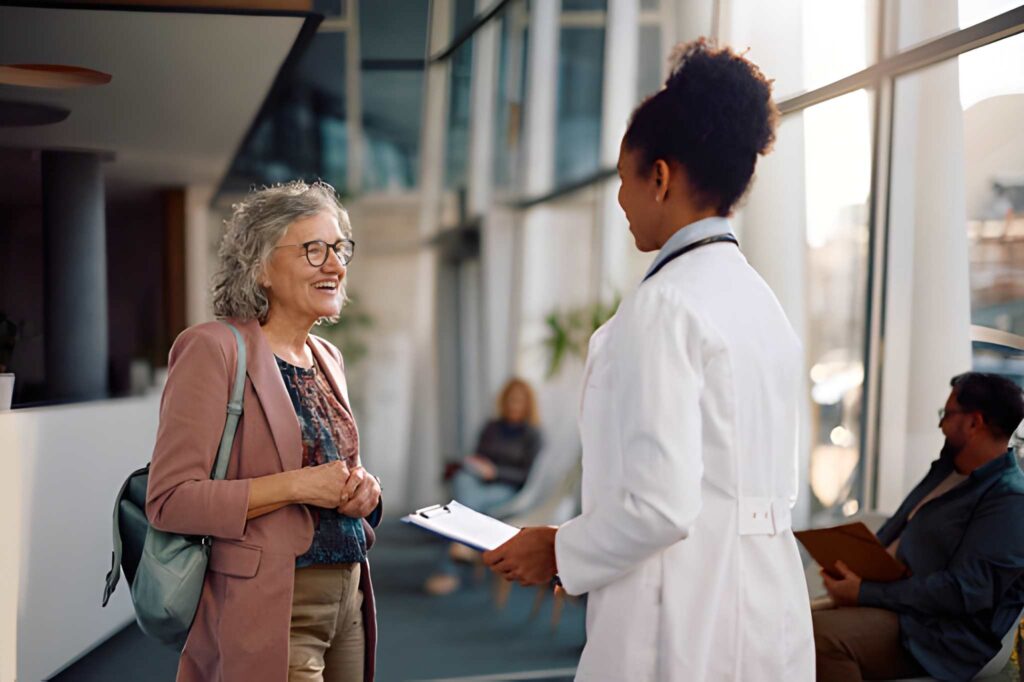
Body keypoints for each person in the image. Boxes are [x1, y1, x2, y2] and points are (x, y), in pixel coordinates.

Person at [483, 38, 814, 681]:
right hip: (769, 614)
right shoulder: (760, 301)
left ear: (659, 178)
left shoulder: (666, 306)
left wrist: (556, 549)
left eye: (622, 178)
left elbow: (659, 506)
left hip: (684, 626)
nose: (620, 200)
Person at [146, 180, 383, 682]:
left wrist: (366, 491)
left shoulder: (328, 358)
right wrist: (297, 486)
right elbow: (169, 500)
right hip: (274, 603)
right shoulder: (213, 349)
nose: (336, 266)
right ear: (260, 266)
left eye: (339, 249)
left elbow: (339, 470)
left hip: (350, 596)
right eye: (313, 250)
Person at [815, 372, 1024, 681]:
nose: (940, 424)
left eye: (947, 414)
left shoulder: (1010, 499)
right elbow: (892, 533)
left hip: (940, 636)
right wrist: (852, 569)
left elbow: (963, 592)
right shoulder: (946, 472)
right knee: (784, 623)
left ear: (973, 423)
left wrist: (865, 592)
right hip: (901, 608)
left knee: (821, 637)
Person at [425, 378, 542, 595]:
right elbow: (479, 455)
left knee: (459, 507)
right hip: (479, 484)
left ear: (527, 404)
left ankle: (449, 568)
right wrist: (479, 466)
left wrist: (496, 472)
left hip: (508, 488)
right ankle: (462, 545)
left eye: (519, 401)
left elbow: (527, 476)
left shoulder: (532, 435)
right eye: (510, 400)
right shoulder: (491, 427)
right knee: (462, 481)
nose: (514, 405)